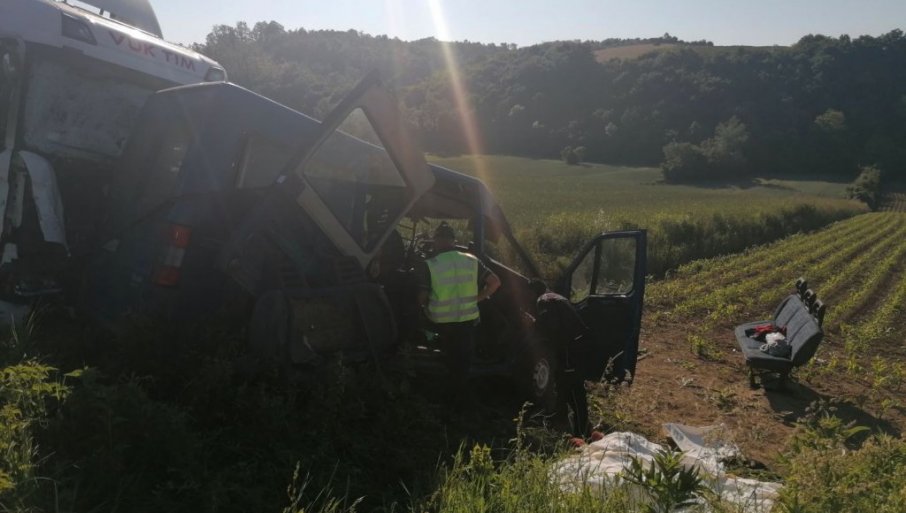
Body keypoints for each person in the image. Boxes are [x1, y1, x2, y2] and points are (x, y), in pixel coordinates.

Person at [416, 222, 501, 390]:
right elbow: (495, 282)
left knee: (445, 360)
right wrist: (476, 299)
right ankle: (461, 397)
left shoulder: (430, 264)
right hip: (467, 320)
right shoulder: (472, 261)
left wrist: (422, 308)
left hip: (439, 323)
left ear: (436, 241)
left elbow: (422, 298)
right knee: (462, 365)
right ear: (453, 241)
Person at [528, 278, 590, 437]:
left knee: (574, 388)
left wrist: (534, 328)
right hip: (578, 342)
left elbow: (551, 326)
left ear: (534, 292)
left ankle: (582, 432)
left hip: (569, 347)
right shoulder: (555, 296)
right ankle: (563, 425)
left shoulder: (543, 301)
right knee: (563, 383)